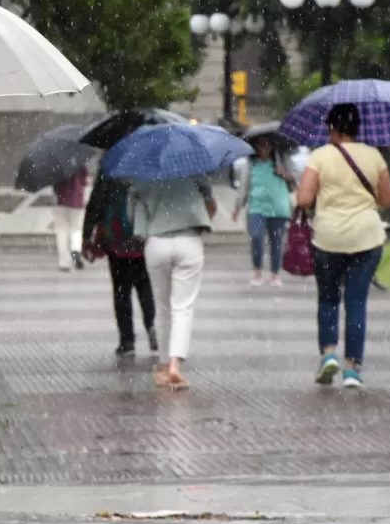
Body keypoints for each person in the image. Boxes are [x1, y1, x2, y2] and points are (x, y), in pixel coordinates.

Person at [296, 103, 390, 390]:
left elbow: (304, 199)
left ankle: (328, 354)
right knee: (356, 303)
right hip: (366, 236)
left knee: (328, 299)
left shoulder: (320, 156)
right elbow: (388, 199)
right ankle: (352, 369)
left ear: (332, 128)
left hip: (329, 237)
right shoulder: (373, 155)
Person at [130, 176, 217, 390]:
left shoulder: (143, 176)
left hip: (157, 243)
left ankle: (162, 363)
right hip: (189, 243)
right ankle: (175, 365)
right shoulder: (195, 172)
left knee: (163, 308)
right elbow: (210, 207)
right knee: (183, 307)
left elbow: (133, 217)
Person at [82, 165, 157, 358]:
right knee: (145, 285)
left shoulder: (111, 163)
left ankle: (127, 341)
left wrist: (86, 234)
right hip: (142, 233)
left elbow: (97, 201)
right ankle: (152, 327)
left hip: (116, 234)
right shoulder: (146, 161)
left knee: (121, 290)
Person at [232, 136, 295, 287]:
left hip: (278, 207)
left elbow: (296, 180)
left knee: (276, 242)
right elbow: (244, 187)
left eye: (268, 144)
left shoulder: (282, 161)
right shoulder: (251, 164)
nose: (264, 148)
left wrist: (284, 173)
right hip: (256, 207)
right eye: (261, 144)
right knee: (257, 237)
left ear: (273, 146)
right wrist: (237, 207)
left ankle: (274, 274)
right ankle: (257, 272)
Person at [52, 166, 88, 271]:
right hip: (77, 200)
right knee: (76, 229)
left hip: (60, 200)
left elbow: (54, 183)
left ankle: (64, 262)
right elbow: (85, 181)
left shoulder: (56, 164)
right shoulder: (79, 161)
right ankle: (76, 249)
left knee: (61, 230)